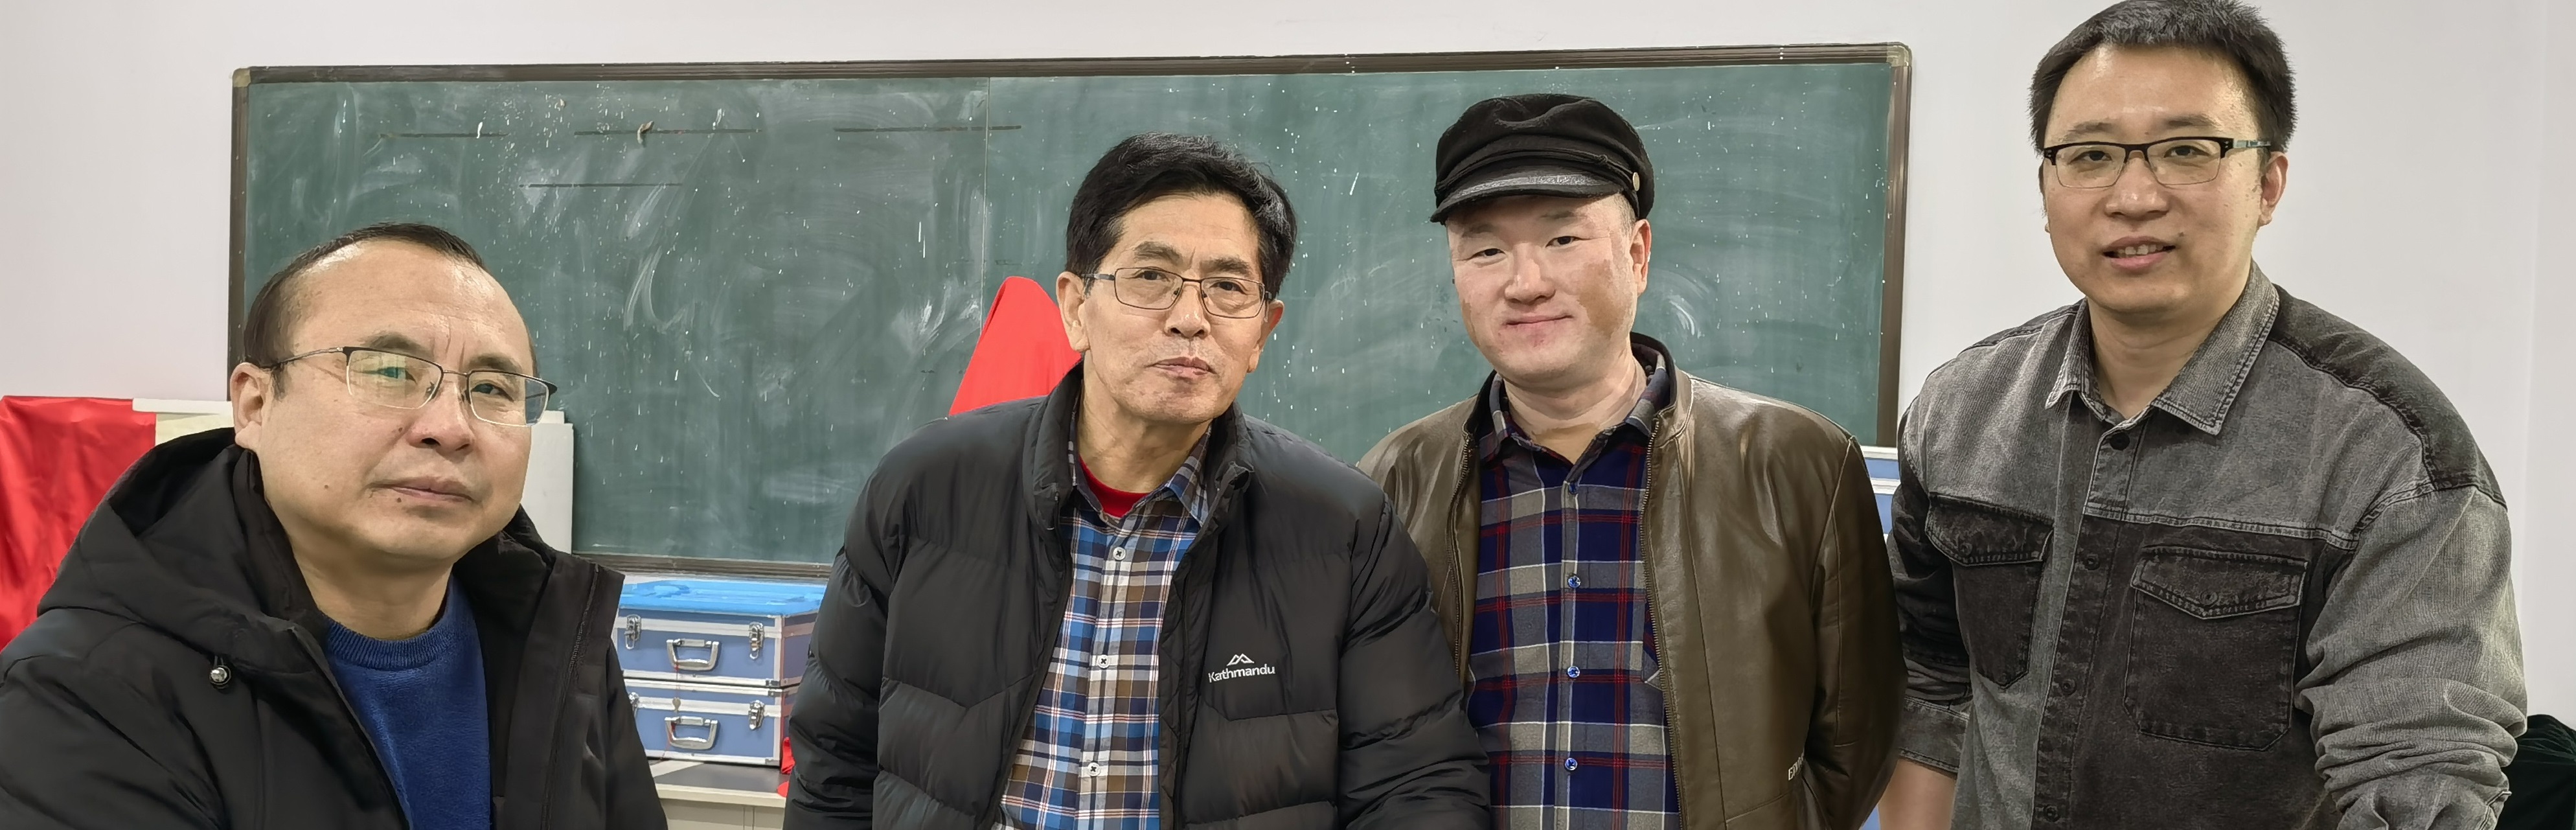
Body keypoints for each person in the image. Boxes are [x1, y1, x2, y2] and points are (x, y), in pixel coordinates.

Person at [1875, 2, 2525, 827]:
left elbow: (2416, 773)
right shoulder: (1959, 411)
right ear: (2045, 187)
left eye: (2186, 150)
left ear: (2267, 184)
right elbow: (1932, 674)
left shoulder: (2389, 458)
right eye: (2090, 155)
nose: (2133, 196)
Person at [786, 133, 1488, 830]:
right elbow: (834, 761)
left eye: (1227, 287)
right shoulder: (924, 489)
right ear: (1075, 307)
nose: (1189, 319)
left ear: (1262, 332)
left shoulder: (1343, 528)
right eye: (1150, 276)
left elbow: (1415, 787)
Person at [0, 222, 667, 830]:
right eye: (389, 372)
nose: (449, 427)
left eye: (492, 389)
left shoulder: (553, 639)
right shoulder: (81, 693)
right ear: (255, 404)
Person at [1360, 93, 1900, 830]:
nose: (1525, 282)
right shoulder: (1392, 481)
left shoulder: (1799, 464)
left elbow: (1856, 735)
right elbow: (1375, 738)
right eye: (1485, 250)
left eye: (1561, 238)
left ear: (1637, 254)